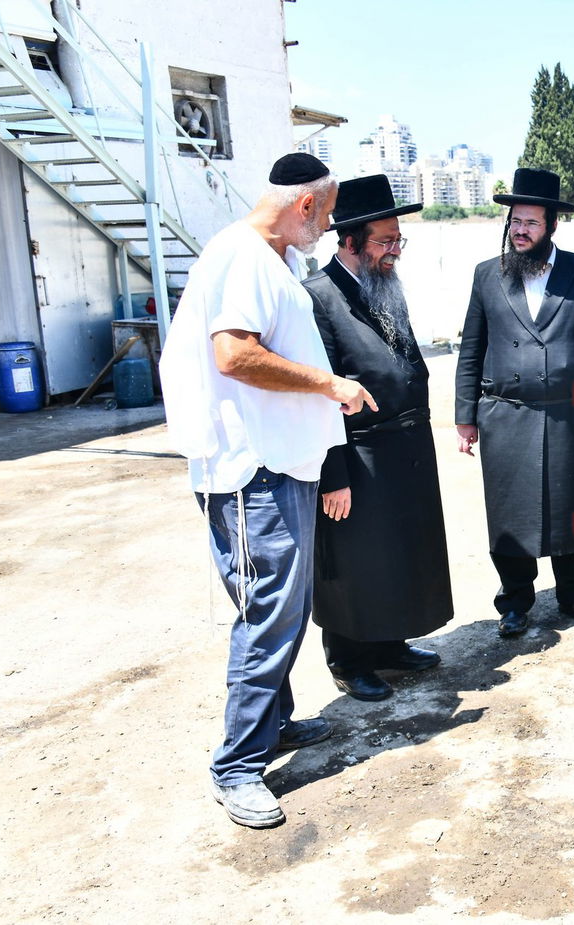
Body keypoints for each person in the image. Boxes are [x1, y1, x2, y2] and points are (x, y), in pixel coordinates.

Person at [159, 153, 377, 829]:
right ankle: (237, 764)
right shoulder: (247, 256)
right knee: (271, 614)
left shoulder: (264, 256)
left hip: (276, 465)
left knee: (275, 606)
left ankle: (274, 722)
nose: (330, 223)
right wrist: (328, 385)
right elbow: (235, 354)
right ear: (306, 205)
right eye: (330, 211)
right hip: (254, 470)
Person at [304, 175, 455, 702]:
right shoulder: (318, 299)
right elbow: (316, 398)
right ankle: (348, 658)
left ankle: (390, 643)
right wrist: (333, 476)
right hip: (358, 453)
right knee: (355, 560)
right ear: (349, 241)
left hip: (404, 449)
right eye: (385, 241)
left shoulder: (383, 284)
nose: (395, 250)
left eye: (398, 240)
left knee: (401, 552)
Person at [454, 167, 574, 638]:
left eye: (531, 222)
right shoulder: (487, 275)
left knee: (572, 502)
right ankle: (514, 602)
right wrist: (465, 417)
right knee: (510, 510)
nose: (521, 230)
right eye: (515, 222)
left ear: (552, 225)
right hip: (505, 414)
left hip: (570, 414)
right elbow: (472, 347)